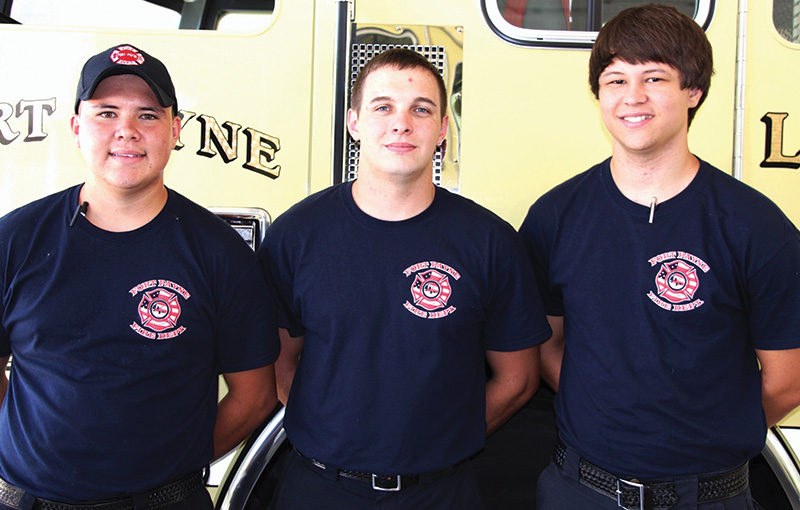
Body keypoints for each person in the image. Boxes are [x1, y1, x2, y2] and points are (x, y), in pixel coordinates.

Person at [519, 4, 800, 509]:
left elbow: (788, 378)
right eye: (615, 79)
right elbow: (545, 343)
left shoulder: (756, 227)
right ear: (599, 94)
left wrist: (699, 426)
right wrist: (611, 408)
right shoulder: (555, 216)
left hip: (709, 497)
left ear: (693, 92)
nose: (633, 98)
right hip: (579, 492)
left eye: (654, 78)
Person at [258, 48, 552, 509]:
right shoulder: (297, 235)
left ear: (442, 130)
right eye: (383, 107)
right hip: (318, 489)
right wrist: (332, 433)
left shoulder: (489, 241)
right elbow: (277, 360)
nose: (401, 123)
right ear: (354, 122)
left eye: (421, 108)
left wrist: (442, 442)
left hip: (441, 493)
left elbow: (518, 378)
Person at [0, 44, 280, 509]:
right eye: (106, 112)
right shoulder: (16, 238)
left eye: (147, 116)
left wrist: (172, 471)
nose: (126, 131)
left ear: (174, 131)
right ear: (76, 128)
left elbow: (254, 396)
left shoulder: (219, 253)